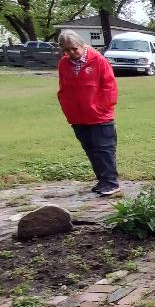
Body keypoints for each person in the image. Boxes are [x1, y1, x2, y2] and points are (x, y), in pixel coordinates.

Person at [56, 30, 120, 196]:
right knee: (90, 149)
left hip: (99, 116)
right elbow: (63, 88)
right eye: (67, 50)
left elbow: (110, 87)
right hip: (77, 116)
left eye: (74, 48)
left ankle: (111, 182)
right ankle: (102, 180)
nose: (71, 53)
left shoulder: (98, 60)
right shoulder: (64, 64)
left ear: (81, 45)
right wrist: (66, 106)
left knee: (104, 149)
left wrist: (101, 107)